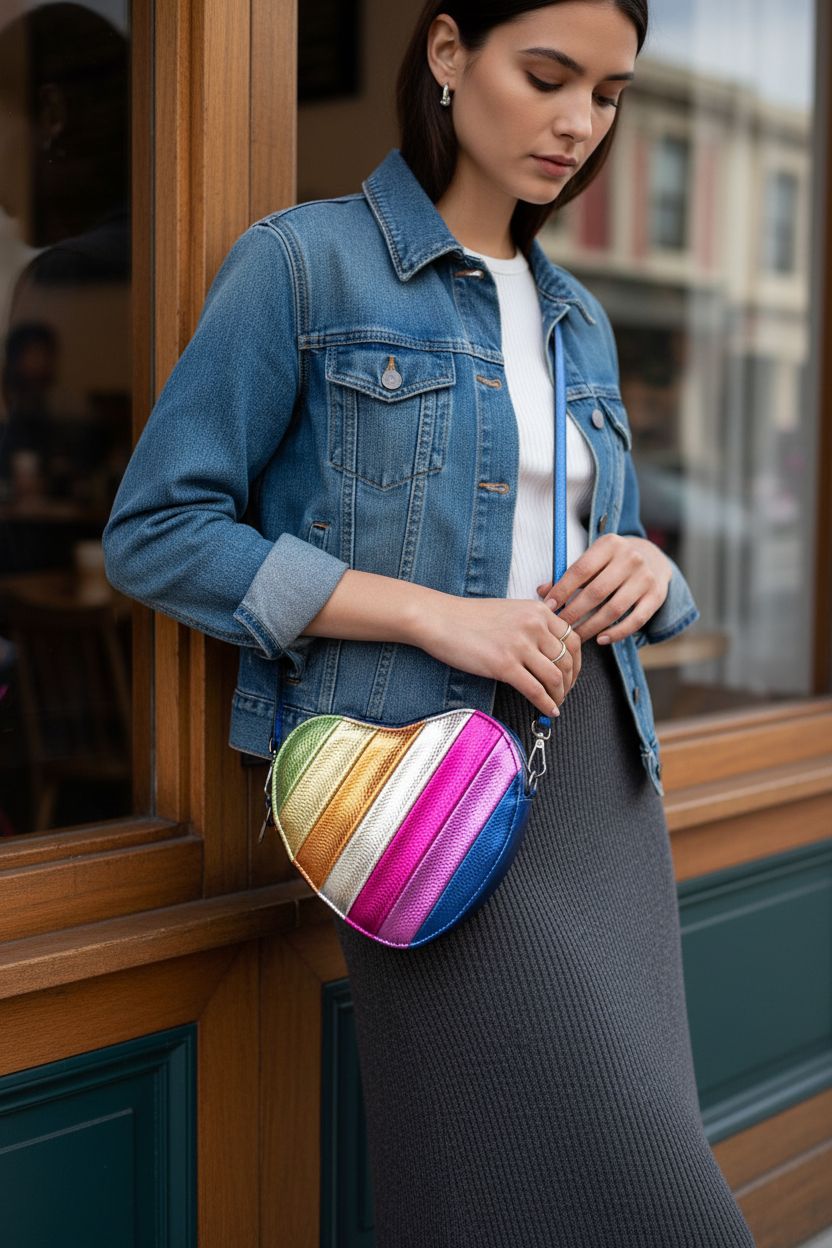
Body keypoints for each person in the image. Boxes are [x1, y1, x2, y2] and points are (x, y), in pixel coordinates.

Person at [102, 2, 758, 1243]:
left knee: (598, 1178)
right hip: (416, 788)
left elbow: (596, 550)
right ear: (448, 55)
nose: (578, 124)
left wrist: (647, 574)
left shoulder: (579, 319)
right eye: (547, 75)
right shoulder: (304, 265)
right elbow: (158, 530)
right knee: (546, 1196)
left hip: (601, 790)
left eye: (608, 94)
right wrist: (433, 619)